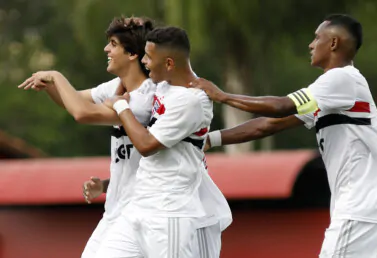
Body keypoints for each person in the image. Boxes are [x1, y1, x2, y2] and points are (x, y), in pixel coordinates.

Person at [192, 14, 377, 258]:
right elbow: (268, 125)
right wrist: (211, 139)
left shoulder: (341, 79)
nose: (311, 45)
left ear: (333, 43)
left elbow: (281, 106)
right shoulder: (334, 92)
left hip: (360, 208)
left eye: (317, 38)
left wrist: (222, 96)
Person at [18, 16, 157, 258]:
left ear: (133, 54)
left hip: (141, 213)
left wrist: (57, 76)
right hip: (115, 209)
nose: (106, 49)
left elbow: (82, 113)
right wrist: (50, 85)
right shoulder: (117, 85)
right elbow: (69, 100)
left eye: (113, 44)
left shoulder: (144, 99)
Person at [96, 26, 231, 258]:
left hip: (169, 212)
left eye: (148, 57)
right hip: (138, 205)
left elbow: (146, 145)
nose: (144, 62)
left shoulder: (191, 101)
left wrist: (120, 106)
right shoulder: (165, 82)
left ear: (169, 63)